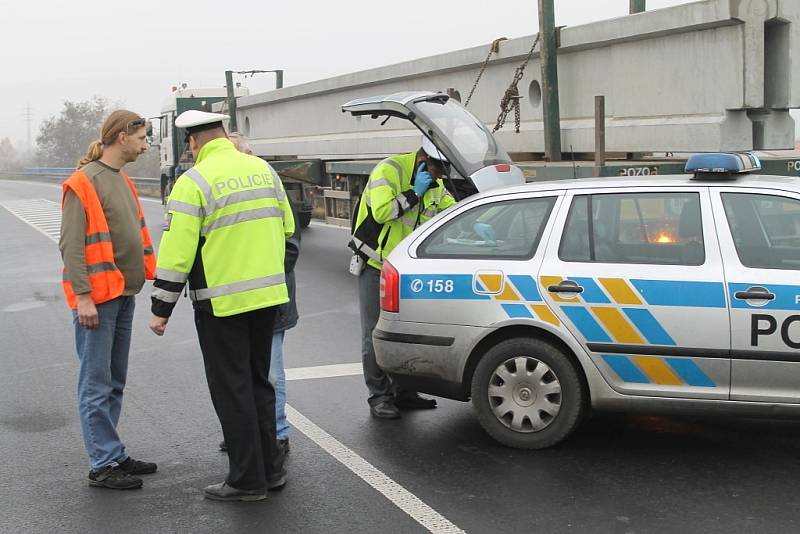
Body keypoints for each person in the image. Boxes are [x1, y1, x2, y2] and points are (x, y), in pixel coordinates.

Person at [148, 110, 295, 502]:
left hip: (222, 305)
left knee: (232, 391)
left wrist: (161, 308)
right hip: (268, 298)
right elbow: (287, 229)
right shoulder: (263, 170)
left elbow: (176, 253)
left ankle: (247, 481)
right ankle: (271, 471)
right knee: (260, 384)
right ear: (225, 135)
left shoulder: (192, 181)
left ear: (193, 142)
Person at [59, 110, 157, 490]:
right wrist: (83, 296)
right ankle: (102, 463)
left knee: (114, 381)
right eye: (142, 137)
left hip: (123, 294)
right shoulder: (83, 183)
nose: (146, 144)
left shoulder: (122, 181)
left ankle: (112, 452)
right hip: (97, 300)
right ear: (121, 137)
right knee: (95, 384)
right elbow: (71, 245)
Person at [350, 138, 456, 419]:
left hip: (407, 271)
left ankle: (404, 391)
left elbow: (448, 211)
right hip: (377, 265)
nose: (438, 178)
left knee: (406, 333)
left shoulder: (435, 182)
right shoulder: (389, 170)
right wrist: (413, 193)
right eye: (436, 171)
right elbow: (383, 212)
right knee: (374, 333)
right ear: (424, 161)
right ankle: (379, 396)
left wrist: (475, 221)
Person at [220, 132, 300, 455]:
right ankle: (249, 431)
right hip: (243, 299)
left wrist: (259, 275)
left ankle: (277, 433)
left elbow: (290, 247)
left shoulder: (270, 186)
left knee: (270, 372)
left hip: (270, 299)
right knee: (244, 371)